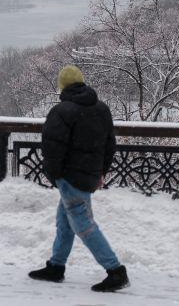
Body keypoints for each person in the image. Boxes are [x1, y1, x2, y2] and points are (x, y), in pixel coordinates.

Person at [28, 65, 130, 292]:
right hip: (89, 174)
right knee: (64, 221)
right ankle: (56, 266)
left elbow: (52, 148)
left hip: (70, 176)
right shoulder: (101, 109)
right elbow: (109, 145)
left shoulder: (62, 111)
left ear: (62, 86)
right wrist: (101, 171)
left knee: (83, 224)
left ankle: (115, 271)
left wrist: (54, 175)